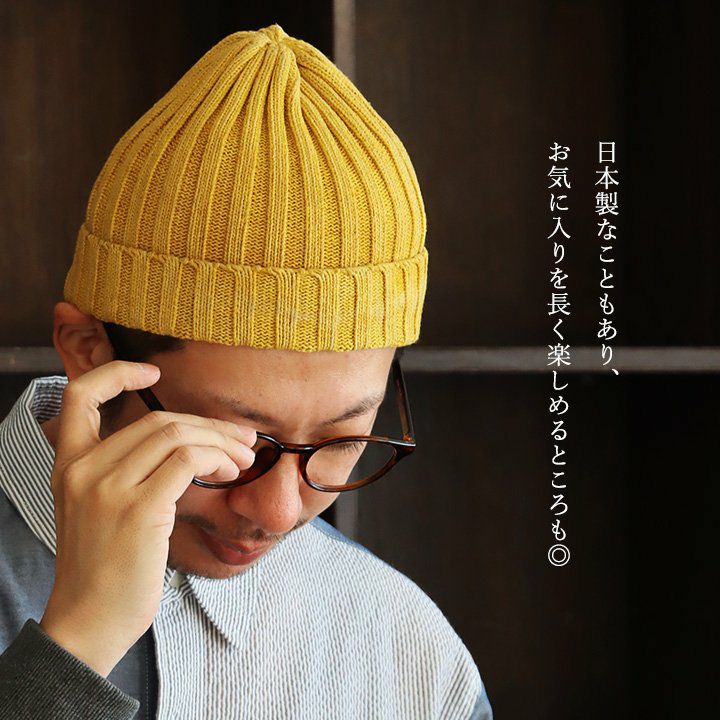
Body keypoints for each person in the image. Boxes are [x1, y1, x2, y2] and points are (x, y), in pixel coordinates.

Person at [0, 22, 493, 719]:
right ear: (89, 351)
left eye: (340, 440)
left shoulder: (405, 652)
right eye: (236, 444)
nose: (279, 514)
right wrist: (76, 647)